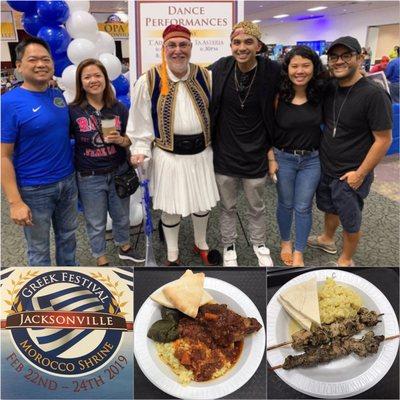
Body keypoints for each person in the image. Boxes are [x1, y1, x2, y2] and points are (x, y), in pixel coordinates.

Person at [128, 25, 219, 266]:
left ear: (190, 47)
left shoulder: (207, 76)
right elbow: (140, 123)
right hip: (168, 156)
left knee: (202, 205)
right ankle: (172, 254)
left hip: (202, 154)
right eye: (172, 45)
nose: (178, 50)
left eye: (183, 45)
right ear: (164, 48)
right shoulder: (148, 80)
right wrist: (140, 150)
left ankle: (201, 244)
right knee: (171, 209)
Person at [308, 36, 392, 266]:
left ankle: (346, 259)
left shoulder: (374, 95)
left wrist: (361, 174)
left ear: (360, 57)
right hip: (327, 166)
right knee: (329, 207)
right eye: (334, 57)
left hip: (352, 173)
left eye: (346, 56)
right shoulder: (331, 87)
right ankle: (327, 238)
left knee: (350, 219)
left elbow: (383, 140)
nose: (339, 61)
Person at [209, 21, 281, 266]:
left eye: (248, 42)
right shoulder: (221, 67)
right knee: (227, 206)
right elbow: (192, 81)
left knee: (256, 205)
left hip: (256, 152)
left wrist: (271, 153)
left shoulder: (271, 70)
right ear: (231, 46)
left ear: (258, 45)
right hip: (225, 153)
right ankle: (228, 244)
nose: (242, 47)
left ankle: (259, 243)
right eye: (237, 42)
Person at [1, 37, 77, 266]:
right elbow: (3, 155)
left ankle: (68, 282)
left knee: (68, 239)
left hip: (67, 182)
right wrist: (15, 202)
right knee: (39, 249)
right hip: (35, 189)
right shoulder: (9, 102)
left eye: (46, 59)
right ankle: (42, 298)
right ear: (19, 66)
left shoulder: (56, 94)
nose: (41, 64)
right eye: (33, 59)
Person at [69, 58, 144, 266]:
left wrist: (121, 140)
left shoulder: (118, 108)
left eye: (97, 75)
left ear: (105, 79)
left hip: (119, 171)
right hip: (89, 176)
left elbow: (132, 138)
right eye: (87, 77)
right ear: (80, 82)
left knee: (122, 216)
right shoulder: (73, 110)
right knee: (96, 221)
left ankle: (125, 247)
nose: (93, 80)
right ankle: (101, 258)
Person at [268, 46, 325, 267]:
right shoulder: (279, 95)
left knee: (303, 206)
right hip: (284, 157)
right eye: (295, 66)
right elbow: (268, 128)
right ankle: (285, 242)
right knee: (285, 204)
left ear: (313, 67)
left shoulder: (320, 93)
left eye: (305, 65)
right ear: (287, 68)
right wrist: (271, 158)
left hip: (312, 159)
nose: (299, 71)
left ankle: (299, 249)